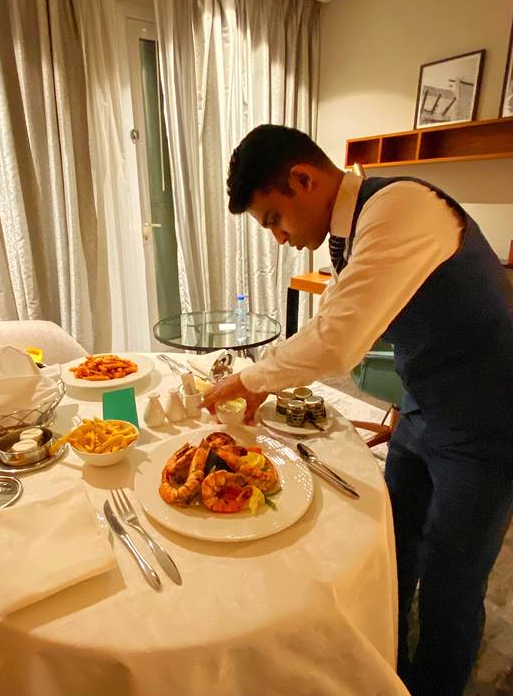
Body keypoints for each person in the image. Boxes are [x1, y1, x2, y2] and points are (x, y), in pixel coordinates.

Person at [204, 124, 513, 696]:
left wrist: (251, 378)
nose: (279, 237)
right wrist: (265, 375)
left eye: (274, 218)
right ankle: (384, 662)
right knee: (395, 539)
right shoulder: (353, 231)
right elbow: (331, 320)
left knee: (452, 579)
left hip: (489, 420)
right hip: (423, 405)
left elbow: (339, 343)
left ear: (303, 178)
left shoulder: (400, 207)